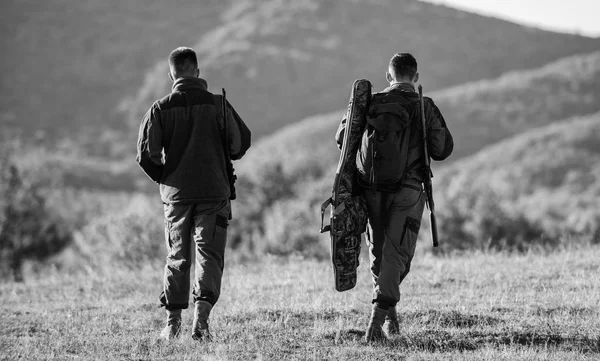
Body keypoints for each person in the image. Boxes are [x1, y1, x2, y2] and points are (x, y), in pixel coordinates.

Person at [335, 53, 454, 342]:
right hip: (408, 190)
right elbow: (442, 149)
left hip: (371, 189)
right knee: (398, 256)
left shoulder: (369, 102)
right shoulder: (423, 105)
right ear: (416, 76)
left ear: (389, 77)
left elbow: (342, 137)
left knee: (380, 255)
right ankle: (375, 326)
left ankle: (392, 322)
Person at [136, 47, 251, 341]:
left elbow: (145, 154)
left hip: (176, 196)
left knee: (177, 256)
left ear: (171, 75)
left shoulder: (159, 109)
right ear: (197, 72)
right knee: (209, 255)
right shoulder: (218, 105)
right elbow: (240, 144)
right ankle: (201, 320)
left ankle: (172, 324)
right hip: (214, 192)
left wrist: (167, 178)